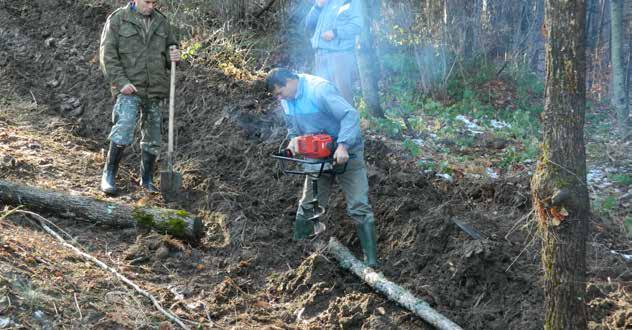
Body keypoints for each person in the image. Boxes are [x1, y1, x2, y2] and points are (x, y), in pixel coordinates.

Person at [266, 68, 377, 267]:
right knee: (309, 204)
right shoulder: (285, 101)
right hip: (317, 155)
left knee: (358, 206)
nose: (279, 98)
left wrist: (343, 145)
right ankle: (300, 257)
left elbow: (350, 115)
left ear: (290, 81)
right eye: (276, 96)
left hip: (345, 152)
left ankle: (371, 262)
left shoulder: (319, 90)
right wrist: (294, 141)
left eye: (280, 92)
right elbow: (292, 128)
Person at [99, 0, 179, 194]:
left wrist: (174, 55)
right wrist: (121, 82)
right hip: (129, 87)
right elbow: (107, 55)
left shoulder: (162, 22)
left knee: (153, 137)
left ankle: (147, 180)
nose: (151, 6)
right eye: (147, 1)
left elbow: (170, 51)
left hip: (154, 89)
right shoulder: (118, 19)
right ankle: (109, 175)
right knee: (124, 127)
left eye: (154, 2)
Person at [305, 0, 363, 104]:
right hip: (319, 55)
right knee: (325, 96)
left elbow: (357, 25)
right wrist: (318, 6)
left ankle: (349, 120)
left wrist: (335, 32)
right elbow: (309, 24)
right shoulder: (323, 2)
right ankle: (332, 120)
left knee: (343, 97)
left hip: (339, 55)